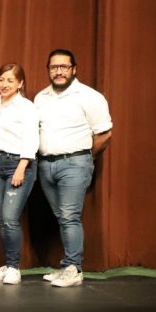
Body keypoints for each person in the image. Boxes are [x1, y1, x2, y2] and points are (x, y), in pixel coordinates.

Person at [35, 49, 113, 287]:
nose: (58, 71)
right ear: (48, 70)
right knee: (62, 216)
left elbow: (104, 134)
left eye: (64, 67)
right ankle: (67, 265)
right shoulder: (41, 97)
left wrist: (85, 158)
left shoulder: (90, 96)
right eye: (54, 67)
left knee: (69, 216)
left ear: (74, 69)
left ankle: (73, 269)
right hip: (46, 165)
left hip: (75, 163)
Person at [0, 63, 38, 285]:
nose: (4, 84)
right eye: (1, 79)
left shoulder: (26, 107)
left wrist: (21, 168)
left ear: (20, 83)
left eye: (10, 80)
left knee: (9, 218)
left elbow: (31, 139)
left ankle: (14, 267)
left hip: (18, 163)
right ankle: (7, 264)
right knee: (2, 219)